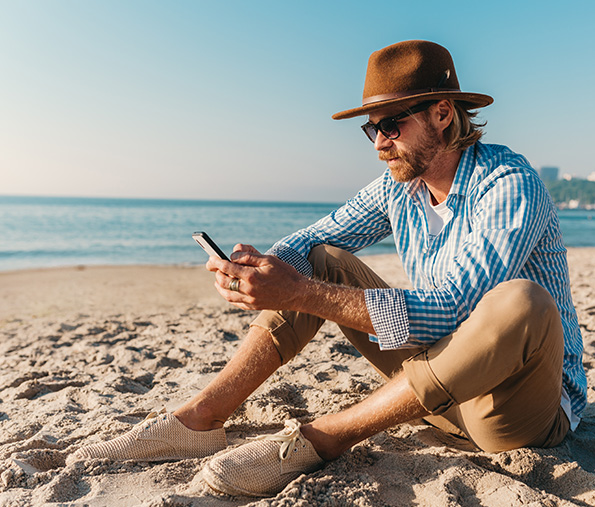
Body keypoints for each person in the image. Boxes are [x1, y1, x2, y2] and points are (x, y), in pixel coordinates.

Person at [67, 40, 587, 498]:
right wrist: (257, 270)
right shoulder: (401, 186)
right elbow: (315, 239)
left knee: (521, 301)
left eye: (391, 126)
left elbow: (452, 311)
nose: (379, 143)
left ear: (443, 114)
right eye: (371, 130)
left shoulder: (507, 183)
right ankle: (202, 417)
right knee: (323, 262)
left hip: (512, 414)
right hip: (431, 388)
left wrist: (300, 293)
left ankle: (327, 436)